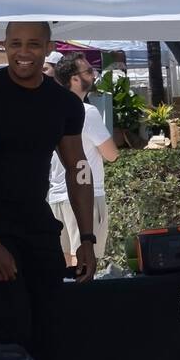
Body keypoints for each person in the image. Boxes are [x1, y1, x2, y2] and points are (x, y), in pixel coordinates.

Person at [0, 20, 97, 358]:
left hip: (36, 220)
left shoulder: (64, 103)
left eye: (32, 44)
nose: (23, 53)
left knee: (51, 320)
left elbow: (78, 168)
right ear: (4, 46)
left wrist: (87, 238)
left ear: (47, 48)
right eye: (15, 44)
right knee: (13, 324)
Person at [49, 52, 118, 266]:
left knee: (65, 267)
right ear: (74, 79)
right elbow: (112, 154)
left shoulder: (52, 110)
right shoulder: (87, 112)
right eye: (88, 71)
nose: (94, 73)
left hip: (55, 198)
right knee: (86, 266)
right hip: (86, 196)